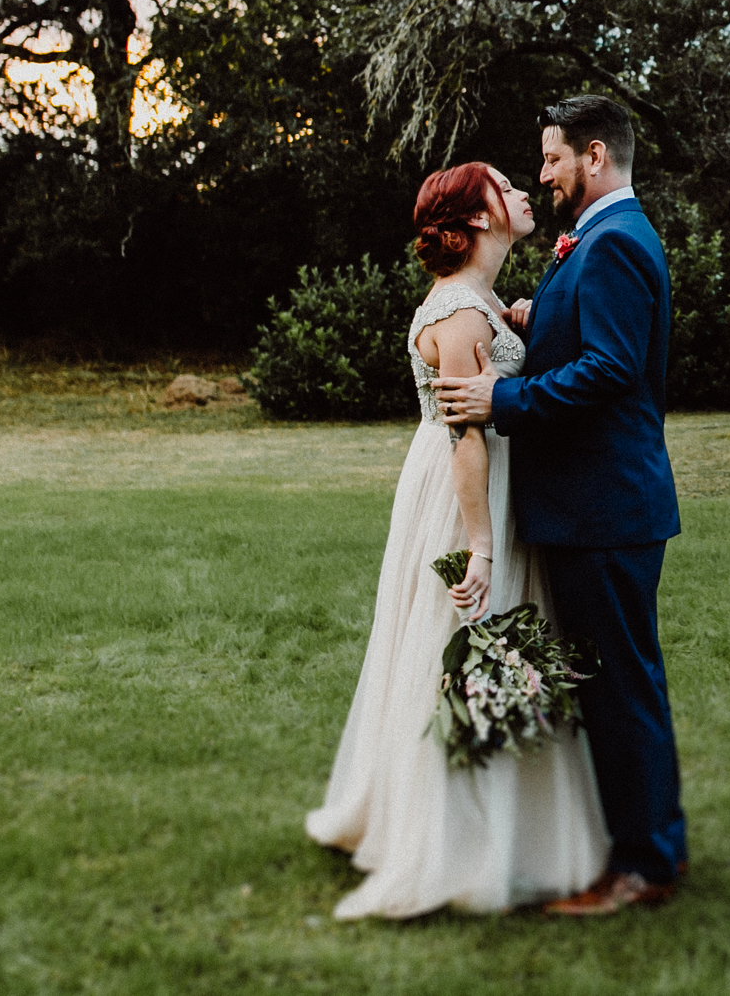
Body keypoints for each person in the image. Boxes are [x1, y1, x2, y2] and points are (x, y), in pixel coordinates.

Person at [304, 163, 610, 918]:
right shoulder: (461, 315)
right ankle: (451, 843)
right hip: (465, 495)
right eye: (504, 189)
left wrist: (523, 326)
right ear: (476, 220)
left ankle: (513, 832)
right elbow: (467, 437)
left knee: (494, 648)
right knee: (467, 643)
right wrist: (481, 546)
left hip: (482, 482)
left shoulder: (478, 305)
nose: (521, 194)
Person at [436, 94, 687, 916]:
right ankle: (644, 848)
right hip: (597, 507)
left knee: (620, 691)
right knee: (616, 686)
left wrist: (498, 402)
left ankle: (645, 865)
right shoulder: (606, 238)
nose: (541, 174)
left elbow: (611, 370)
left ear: (595, 158)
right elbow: (596, 340)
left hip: (604, 509)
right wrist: (540, 319)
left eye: (550, 158)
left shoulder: (611, 241)